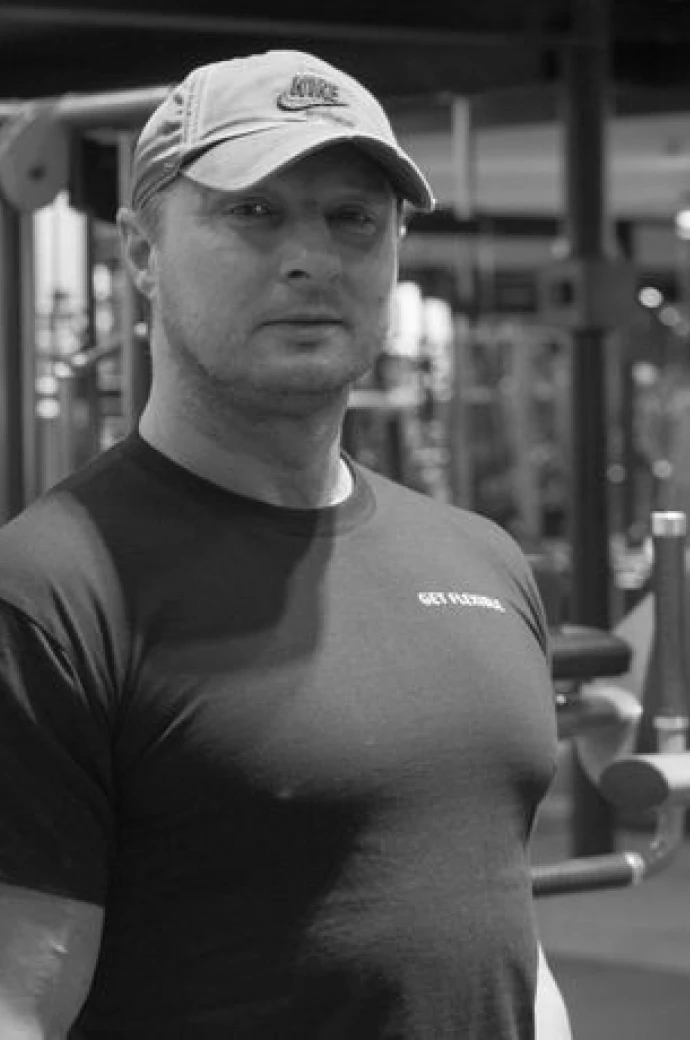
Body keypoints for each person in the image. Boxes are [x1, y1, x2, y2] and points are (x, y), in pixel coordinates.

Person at [0, 49, 571, 1038]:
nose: (312, 258)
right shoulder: (49, 594)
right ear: (140, 251)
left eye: (354, 218)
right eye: (254, 212)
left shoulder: (481, 560)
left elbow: (506, 940)